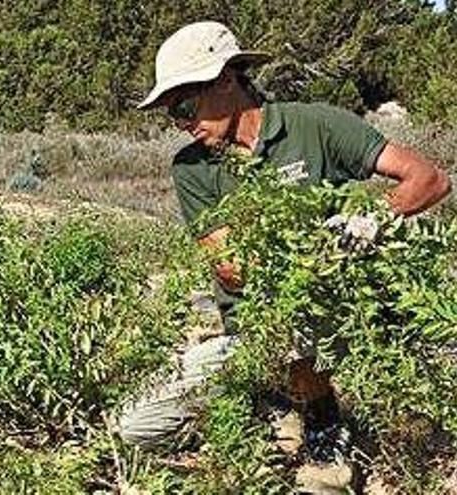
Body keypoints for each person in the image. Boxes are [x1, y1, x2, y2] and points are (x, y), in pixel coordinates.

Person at [116, 21, 452, 448]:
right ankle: (275, 400)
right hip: (256, 335)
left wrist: (370, 218)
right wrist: (318, 249)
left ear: (224, 79)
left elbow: (428, 179)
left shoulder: (316, 126)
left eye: (184, 107)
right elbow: (233, 269)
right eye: (172, 114)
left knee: (311, 333)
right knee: (136, 426)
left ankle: (322, 421)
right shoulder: (191, 168)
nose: (181, 124)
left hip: (336, 321)